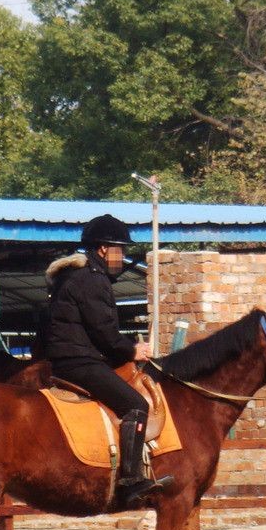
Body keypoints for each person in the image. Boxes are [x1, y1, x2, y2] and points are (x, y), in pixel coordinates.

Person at [44, 213, 172, 507]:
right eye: (120, 250)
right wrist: (132, 350)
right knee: (136, 405)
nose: (122, 256)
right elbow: (103, 332)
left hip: (72, 358)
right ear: (104, 249)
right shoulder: (92, 279)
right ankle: (131, 480)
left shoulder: (74, 277)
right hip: (80, 362)